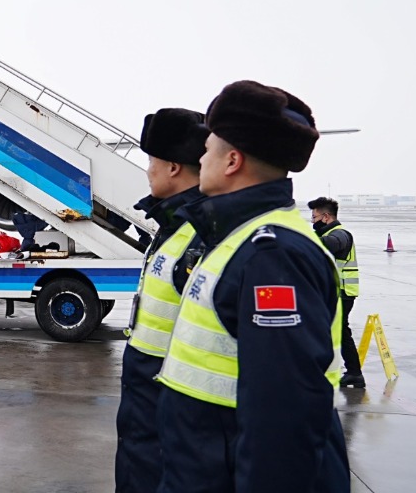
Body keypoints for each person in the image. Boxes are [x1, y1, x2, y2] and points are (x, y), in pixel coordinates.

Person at [156, 81, 349, 493]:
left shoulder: (273, 257)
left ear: (232, 161)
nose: (200, 158)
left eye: (207, 149)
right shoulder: (237, 238)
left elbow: (284, 416)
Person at [115, 108, 208, 493]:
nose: (148, 170)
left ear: (172, 167)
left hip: (170, 413)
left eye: (151, 160)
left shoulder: (199, 236)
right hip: (149, 412)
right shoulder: (174, 228)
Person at [309, 196, 364, 388]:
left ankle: (353, 373)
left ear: (325, 217)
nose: (312, 222)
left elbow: (331, 243)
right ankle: (354, 373)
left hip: (343, 293)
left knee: (336, 331)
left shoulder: (341, 234)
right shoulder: (329, 233)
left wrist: (304, 240)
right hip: (334, 293)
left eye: (314, 218)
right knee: (339, 332)